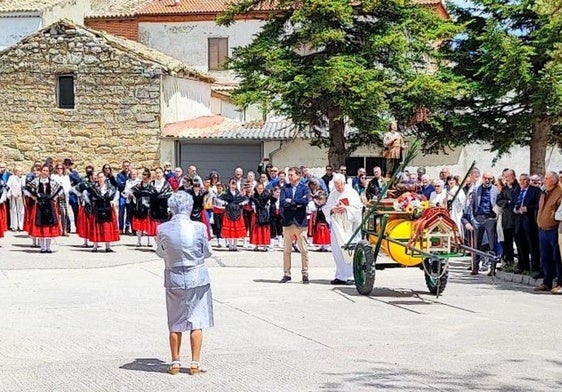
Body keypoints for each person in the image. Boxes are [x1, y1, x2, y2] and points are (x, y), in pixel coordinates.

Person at [156, 192, 214, 375]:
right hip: (197, 276)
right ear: (189, 207)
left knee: (175, 321)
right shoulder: (199, 227)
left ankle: (175, 362)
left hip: (174, 277)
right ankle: (195, 363)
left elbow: (159, 252)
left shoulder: (162, 228)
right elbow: (207, 252)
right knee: (197, 320)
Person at [322, 173, 362, 284]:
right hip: (337, 227)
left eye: (339, 185)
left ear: (344, 183)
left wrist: (346, 208)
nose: (338, 188)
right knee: (337, 251)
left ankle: (351, 276)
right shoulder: (333, 194)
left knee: (349, 250)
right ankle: (340, 275)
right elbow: (326, 208)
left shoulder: (352, 193)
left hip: (349, 228)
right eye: (336, 185)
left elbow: (358, 209)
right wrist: (333, 210)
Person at [463, 171, 499, 275]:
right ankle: (475, 267)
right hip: (478, 219)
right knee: (476, 245)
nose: (487, 180)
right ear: (482, 178)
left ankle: (492, 269)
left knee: (492, 245)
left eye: (489, 179)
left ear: (492, 179)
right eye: (486, 178)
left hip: (490, 219)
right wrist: (473, 219)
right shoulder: (476, 189)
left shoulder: (495, 190)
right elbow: (472, 204)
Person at [279, 167, 311, 283]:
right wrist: (297, 203)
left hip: (300, 222)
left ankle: (305, 273)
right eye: (289, 175)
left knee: (304, 250)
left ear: (299, 175)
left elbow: (305, 201)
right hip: (288, 222)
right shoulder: (285, 188)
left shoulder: (304, 188)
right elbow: (282, 202)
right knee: (287, 250)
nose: (289, 177)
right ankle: (287, 273)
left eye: (292, 175)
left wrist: (291, 201)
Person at [25, 164, 63, 253]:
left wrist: (54, 197)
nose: (45, 172)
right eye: (44, 170)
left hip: (49, 205)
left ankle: (48, 247)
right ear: (41, 171)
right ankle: (42, 247)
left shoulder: (52, 181)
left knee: (49, 226)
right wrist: (33, 197)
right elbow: (26, 189)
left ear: (49, 172)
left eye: (47, 171)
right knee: (40, 225)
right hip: (39, 205)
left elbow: (60, 189)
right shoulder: (36, 181)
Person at [534, 171, 562, 293]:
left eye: (546, 178)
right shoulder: (544, 193)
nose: (544, 180)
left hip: (554, 230)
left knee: (557, 257)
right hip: (542, 229)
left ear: (554, 181)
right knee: (545, 257)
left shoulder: (559, 192)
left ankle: (560, 283)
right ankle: (547, 282)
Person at [512, 173, 541, 275]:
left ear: (529, 181)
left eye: (525, 180)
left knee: (533, 245)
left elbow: (538, 205)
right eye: (521, 180)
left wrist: (527, 208)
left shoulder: (535, 191)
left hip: (530, 222)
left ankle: (535, 268)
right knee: (520, 245)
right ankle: (523, 266)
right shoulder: (517, 191)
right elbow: (514, 203)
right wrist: (515, 209)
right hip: (519, 221)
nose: (522, 182)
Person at [85, 171, 120, 252]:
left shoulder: (111, 187)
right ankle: (95, 246)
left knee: (107, 226)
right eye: (99, 177)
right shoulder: (93, 187)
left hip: (107, 208)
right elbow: (85, 194)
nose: (100, 179)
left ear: (105, 178)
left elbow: (117, 194)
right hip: (97, 208)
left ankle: (108, 246)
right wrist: (90, 203)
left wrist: (114, 201)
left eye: (102, 177)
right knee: (96, 227)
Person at [116, 160, 131, 234]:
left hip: (130, 196)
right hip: (122, 195)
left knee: (129, 212)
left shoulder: (132, 174)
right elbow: (119, 185)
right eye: (125, 166)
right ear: (122, 167)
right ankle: (120, 228)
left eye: (127, 166)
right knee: (121, 211)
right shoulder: (119, 175)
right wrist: (127, 182)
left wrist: (124, 183)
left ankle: (127, 228)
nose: (126, 167)